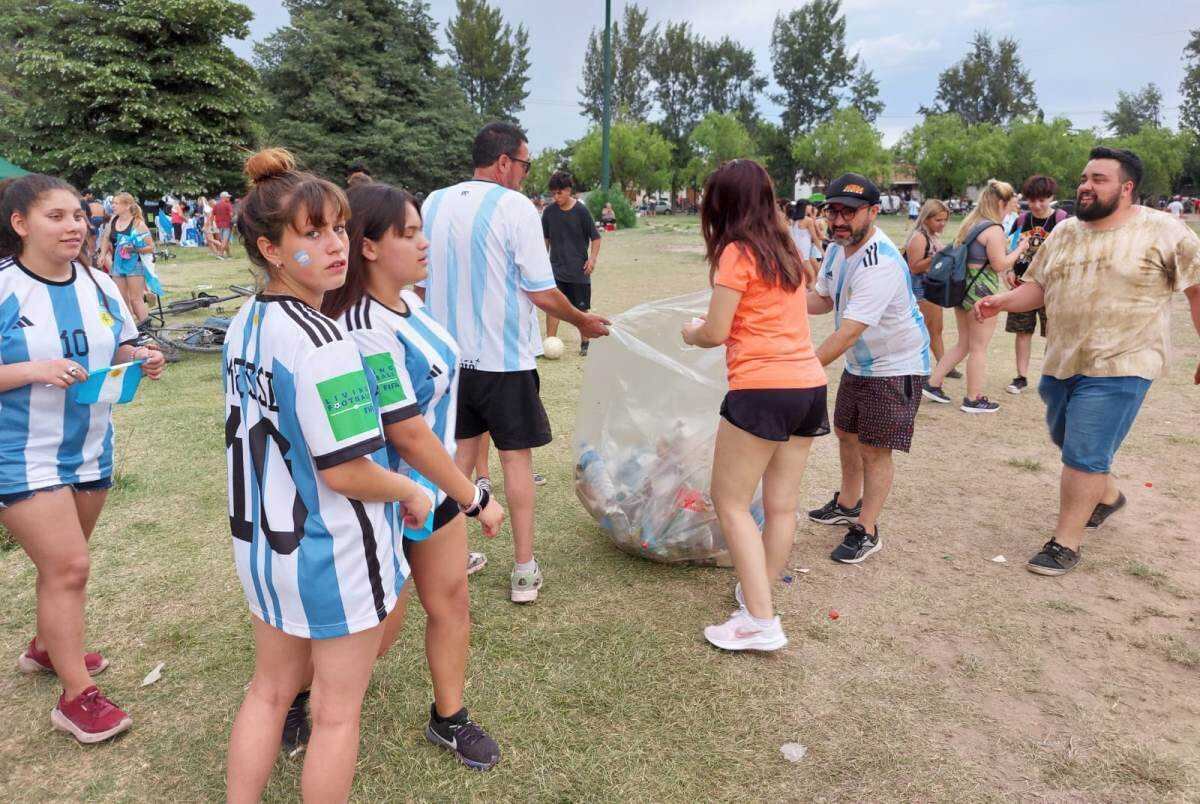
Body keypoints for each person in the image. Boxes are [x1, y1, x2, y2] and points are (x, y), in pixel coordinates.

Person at [222, 148, 431, 802]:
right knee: (336, 713)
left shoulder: (243, 323)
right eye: (312, 233)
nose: (336, 245)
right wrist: (411, 490)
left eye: (339, 227)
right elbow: (346, 472)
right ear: (272, 249)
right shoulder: (322, 342)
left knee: (269, 690)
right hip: (328, 552)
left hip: (262, 546)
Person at [320, 181, 506, 769]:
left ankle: (448, 718)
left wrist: (455, 487)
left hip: (436, 487)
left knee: (451, 601)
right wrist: (473, 494)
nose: (424, 243)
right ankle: (305, 698)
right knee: (380, 624)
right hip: (382, 497)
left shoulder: (412, 302)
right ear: (368, 247)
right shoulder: (359, 324)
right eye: (407, 233)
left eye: (421, 229)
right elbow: (405, 433)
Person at [975, 147, 1200, 576]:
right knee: (1070, 439)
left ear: (1126, 187)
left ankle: (1065, 542)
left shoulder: (1164, 231)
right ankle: (1108, 495)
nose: (1085, 185)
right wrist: (1001, 301)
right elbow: (1037, 286)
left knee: (1083, 450)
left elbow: (1196, 289)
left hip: (1125, 362)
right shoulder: (1064, 233)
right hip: (1064, 361)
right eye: (1084, 178)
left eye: (1098, 178)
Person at [0, 173, 166, 743]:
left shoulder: (99, 282)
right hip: (20, 456)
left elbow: (118, 342)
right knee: (70, 568)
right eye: (56, 216)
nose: (74, 225)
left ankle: (47, 648)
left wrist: (140, 355)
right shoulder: (2, 289)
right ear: (20, 224)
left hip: (92, 448)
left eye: (78, 215)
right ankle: (76, 699)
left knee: (62, 567)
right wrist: (30, 371)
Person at [418, 122, 610, 603]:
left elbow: (419, 283)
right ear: (504, 161)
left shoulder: (432, 203)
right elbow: (541, 290)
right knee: (515, 460)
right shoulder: (516, 207)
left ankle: (453, 557)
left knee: (458, 459)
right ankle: (523, 569)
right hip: (503, 359)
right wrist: (582, 320)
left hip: (448, 362)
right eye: (525, 164)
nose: (526, 174)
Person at [681, 159, 826, 652]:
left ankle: (761, 621)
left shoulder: (737, 253)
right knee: (781, 504)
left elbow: (716, 331)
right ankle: (757, 592)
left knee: (731, 501)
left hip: (762, 388)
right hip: (807, 385)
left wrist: (691, 332)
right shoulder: (785, 248)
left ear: (721, 204)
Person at [805, 174, 931, 563]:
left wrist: (799, 369)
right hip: (862, 363)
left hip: (896, 366)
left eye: (850, 212)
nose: (839, 220)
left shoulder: (880, 262)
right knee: (845, 432)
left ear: (873, 212)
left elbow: (846, 333)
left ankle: (868, 528)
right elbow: (823, 300)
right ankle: (847, 502)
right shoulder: (835, 250)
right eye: (833, 210)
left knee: (875, 450)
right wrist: (778, 301)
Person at [921, 180, 1028, 412]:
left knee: (964, 343)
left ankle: (933, 383)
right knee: (979, 347)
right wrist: (1020, 249)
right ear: (1001, 202)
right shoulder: (994, 229)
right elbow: (999, 264)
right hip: (982, 294)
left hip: (963, 290)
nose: (1014, 206)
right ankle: (974, 398)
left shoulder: (971, 223)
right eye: (1011, 202)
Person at [1003, 176, 1069, 395]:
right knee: (1022, 332)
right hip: (1022, 284)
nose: (1037, 205)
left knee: (1054, 332)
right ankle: (1021, 376)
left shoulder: (1062, 220)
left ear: (1051, 198)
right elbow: (1010, 247)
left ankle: (1051, 377)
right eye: (1032, 200)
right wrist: (1008, 268)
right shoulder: (1021, 220)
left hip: (1052, 287)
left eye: (1042, 200)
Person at [542, 170, 602, 356]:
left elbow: (596, 238)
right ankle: (549, 342)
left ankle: (585, 344)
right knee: (553, 308)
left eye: (559, 193)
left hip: (578, 270)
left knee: (581, 308)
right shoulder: (549, 212)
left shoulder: (582, 211)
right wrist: (542, 262)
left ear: (568, 190)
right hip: (555, 269)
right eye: (553, 193)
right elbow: (545, 239)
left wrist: (592, 259)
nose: (556, 197)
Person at [904, 199, 960, 379]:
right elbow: (914, 267)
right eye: (938, 220)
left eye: (945, 220)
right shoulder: (919, 237)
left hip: (931, 289)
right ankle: (941, 366)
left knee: (935, 329)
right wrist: (938, 258)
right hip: (922, 290)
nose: (942, 224)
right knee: (931, 330)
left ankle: (943, 364)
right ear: (926, 219)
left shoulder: (930, 235)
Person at [98, 192, 155, 326]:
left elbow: (151, 247)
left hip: (134, 264)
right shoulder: (113, 220)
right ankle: (131, 329)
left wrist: (135, 249)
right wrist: (102, 254)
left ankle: (147, 327)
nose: (113, 206)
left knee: (136, 299)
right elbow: (106, 238)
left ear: (127, 205)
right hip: (117, 264)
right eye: (113, 203)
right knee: (122, 299)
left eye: (116, 203)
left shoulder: (137, 224)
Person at [211, 191, 234, 259]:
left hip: (219, 225)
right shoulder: (228, 204)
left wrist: (212, 225)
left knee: (225, 240)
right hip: (227, 225)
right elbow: (231, 214)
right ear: (223, 197)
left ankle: (229, 255)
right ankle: (220, 254)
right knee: (224, 240)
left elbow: (212, 215)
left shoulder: (216, 205)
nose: (229, 198)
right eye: (227, 197)